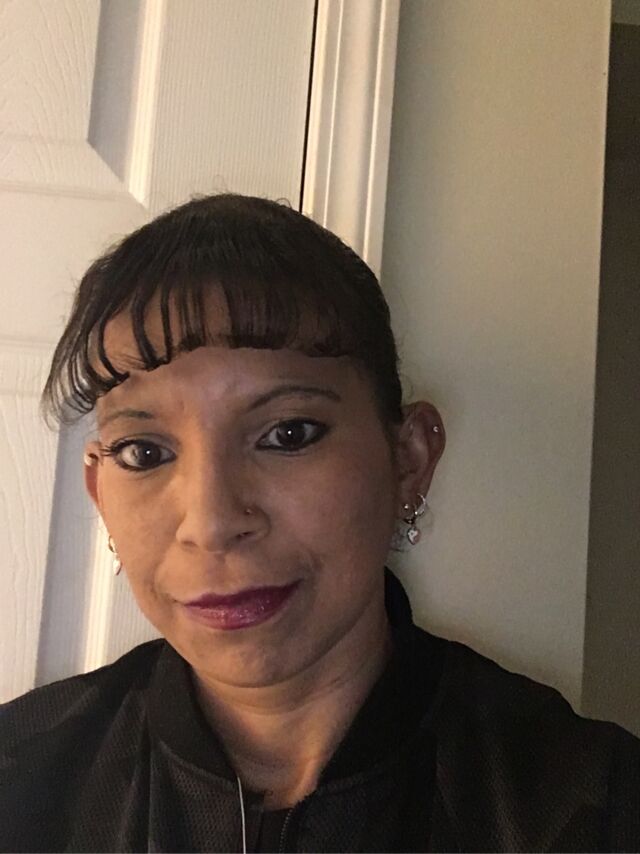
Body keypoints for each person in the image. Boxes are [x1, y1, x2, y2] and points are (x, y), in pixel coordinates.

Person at [0, 194, 638, 854]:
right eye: (144, 452)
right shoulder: (19, 781)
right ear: (100, 493)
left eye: (288, 434)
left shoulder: (596, 805)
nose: (212, 522)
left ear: (408, 461)